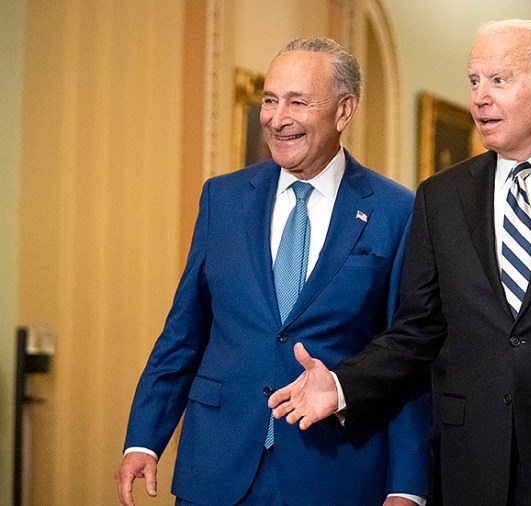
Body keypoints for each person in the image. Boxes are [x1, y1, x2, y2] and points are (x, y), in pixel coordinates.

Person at [267, 19, 531, 505]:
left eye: (499, 80)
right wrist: (341, 384)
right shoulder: (441, 197)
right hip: (470, 463)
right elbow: (418, 329)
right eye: (474, 80)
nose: (480, 97)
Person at [113, 37, 431, 506]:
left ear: (344, 111)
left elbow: (405, 353)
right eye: (269, 100)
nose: (277, 118)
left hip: (334, 471)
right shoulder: (221, 198)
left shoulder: (396, 211)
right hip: (216, 469)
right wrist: (144, 438)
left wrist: (407, 487)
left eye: (297, 102)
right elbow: (183, 331)